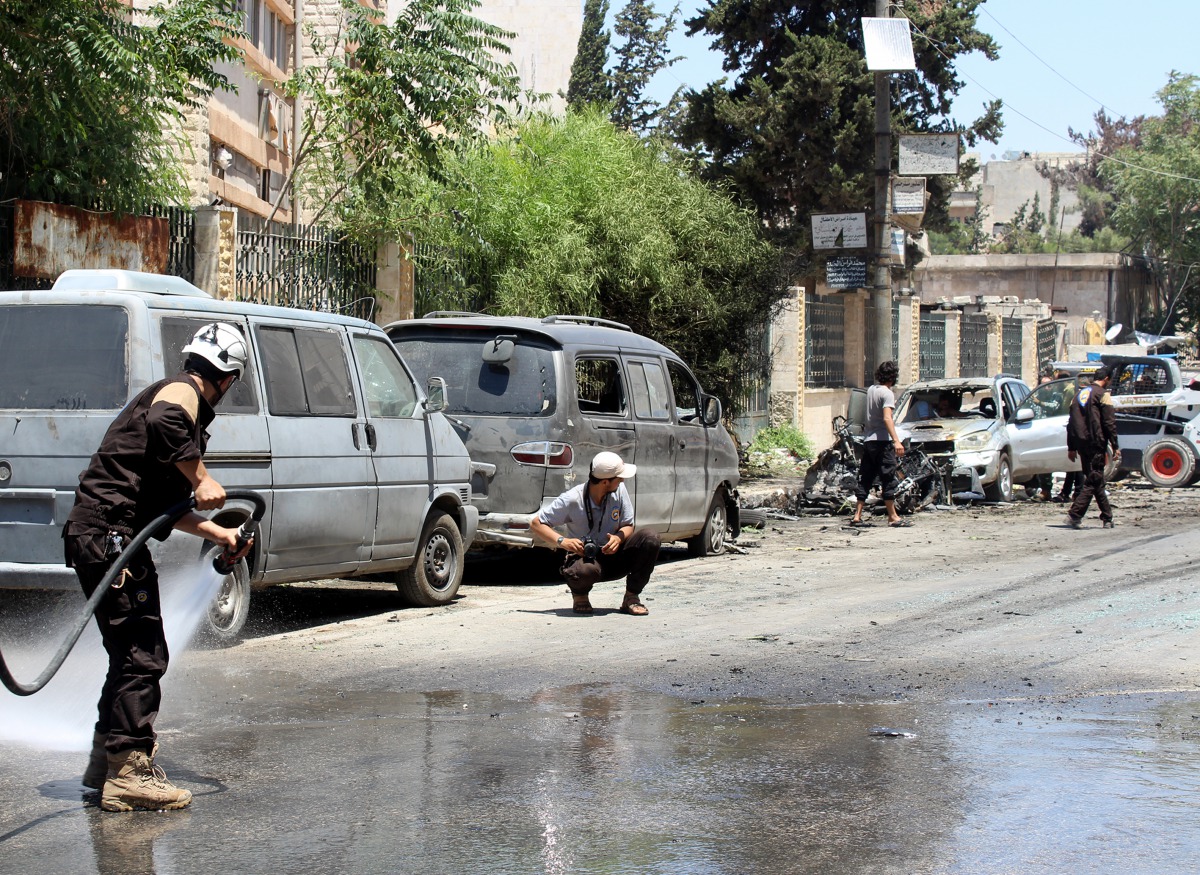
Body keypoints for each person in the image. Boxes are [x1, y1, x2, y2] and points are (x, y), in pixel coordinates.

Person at [64, 323, 253, 812]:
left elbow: (164, 511)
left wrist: (221, 534)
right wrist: (203, 476)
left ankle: (106, 764)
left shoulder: (178, 405)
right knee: (143, 655)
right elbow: (168, 421)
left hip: (104, 534)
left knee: (130, 651)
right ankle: (129, 772)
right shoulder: (181, 393)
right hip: (109, 537)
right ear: (228, 378)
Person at [530, 451, 661, 616]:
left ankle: (631, 597)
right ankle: (580, 595)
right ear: (606, 482)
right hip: (587, 561)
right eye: (619, 478)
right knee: (583, 571)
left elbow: (628, 524)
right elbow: (536, 523)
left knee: (650, 538)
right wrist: (563, 541)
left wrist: (618, 538)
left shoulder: (619, 490)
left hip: (615, 556)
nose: (622, 481)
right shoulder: (572, 499)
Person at [850, 361, 909, 528]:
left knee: (866, 478)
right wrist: (896, 440)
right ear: (893, 377)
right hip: (882, 441)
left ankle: (857, 516)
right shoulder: (887, 393)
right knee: (888, 478)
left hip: (868, 440)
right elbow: (887, 418)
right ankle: (893, 516)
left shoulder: (871, 390)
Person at [1066, 365, 1120, 529]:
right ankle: (1075, 514)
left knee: (1096, 480)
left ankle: (1107, 517)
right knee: (1093, 479)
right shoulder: (1103, 395)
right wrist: (1115, 445)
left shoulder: (1078, 395)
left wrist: (1072, 446)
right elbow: (1109, 422)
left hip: (1081, 442)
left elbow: (1071, 423)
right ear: (1106, 379)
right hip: (1096, 442)